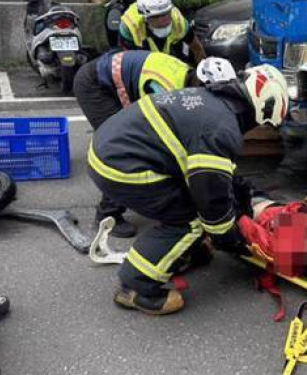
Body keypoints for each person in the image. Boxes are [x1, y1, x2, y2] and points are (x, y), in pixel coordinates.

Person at [87, 64, 288, 315]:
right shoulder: (222, 127)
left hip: (112, 149)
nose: (258, 129)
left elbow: (218, 174)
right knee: (189, 221)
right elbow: (212, 203)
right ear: (263, 107)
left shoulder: (213, 102)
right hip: (121, 166)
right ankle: (136, 285)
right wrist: (232, 238)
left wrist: (244, 197)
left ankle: (182, 253)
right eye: (263, 124)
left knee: (194, 210)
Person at [75, 52, 236, 237]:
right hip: (95, 85)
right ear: (200, 83)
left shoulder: (187, 85)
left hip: (115, 77)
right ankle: (107, 214)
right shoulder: (164, 89)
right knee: (120, 148)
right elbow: (148, 129)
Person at [118, 0, 206, 66]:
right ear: (145, 18)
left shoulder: (178, 21)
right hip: (140, 52)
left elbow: (197, 48)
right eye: (157, 16)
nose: (164, 20)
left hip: (171, 49)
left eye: (167, 13)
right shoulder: (129, 26)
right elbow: (128, 64)